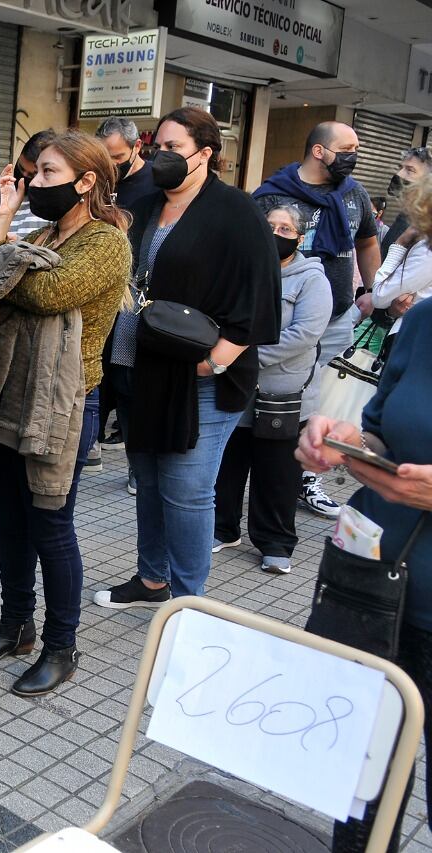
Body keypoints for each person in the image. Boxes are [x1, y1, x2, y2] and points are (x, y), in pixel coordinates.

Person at [0, 131, 131, 695]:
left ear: (86, 183)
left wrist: (9, 263)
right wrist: (5, 217)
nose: (34, 184)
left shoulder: (106, 242)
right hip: (10, 395)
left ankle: (63, 645)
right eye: (33, 175)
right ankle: (16, 626)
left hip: (64, 404)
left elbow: (48, 292)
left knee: (51, 528)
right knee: (10, 523)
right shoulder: (41, 232)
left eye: (48, 175)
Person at [94, 107, 281, 609]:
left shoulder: (236, 211)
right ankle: (152, 581)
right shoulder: (147, 203)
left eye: (174, 148)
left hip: (201, 380)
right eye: (159, 147)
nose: (162, 156)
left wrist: (215, 361)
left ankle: (190, 603)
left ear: (205, 154)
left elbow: (259, 298)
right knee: (151, 485)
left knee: (188, 492)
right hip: (142, 372)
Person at [296, 177, 432, 853]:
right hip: (383, 594)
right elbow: (382, 433)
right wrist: (345, 440)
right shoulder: (425, 323)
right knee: (362, 793)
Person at [253, 121, 380, 520]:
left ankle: (306, 477)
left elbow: (368, 242)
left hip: (336, 318)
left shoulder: (354, 194)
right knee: (271, 395)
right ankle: (253, 476)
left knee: (316, 403)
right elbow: (250, 251)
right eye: (348, 147)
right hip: (284, 318)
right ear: (320, 151)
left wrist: (373, 292)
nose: (354, 155)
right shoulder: (272, 195)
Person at [213, 206, 331, 575]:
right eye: (270, 227)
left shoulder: (312, 280)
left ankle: (275, 543)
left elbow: (304, 336)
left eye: (286, 228)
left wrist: (240, 356)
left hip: (284, 395)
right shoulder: (243, 270)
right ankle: (222, 529)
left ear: (299, 237)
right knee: (227, 465)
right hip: (238, 389)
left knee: (277, 473)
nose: (277, 233)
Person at [94, 117, 155, 466]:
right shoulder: (98, 178)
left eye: (116, 157)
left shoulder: (153, 183)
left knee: (126, 372)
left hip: (136, 287)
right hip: (102, 279)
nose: (110, 166)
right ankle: (93, 441)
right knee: (97, 364)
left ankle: (136, 459)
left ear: (136, 148)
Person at [95, 116, 155, 209]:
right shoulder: (97, 178)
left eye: (117, 157)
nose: (111, 164)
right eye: (104, 157)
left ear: (137, 146)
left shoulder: (156, 178)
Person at [382, 146, 430, 259]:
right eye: (401, 168)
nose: (400, 174)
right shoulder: (407, 215)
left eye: (410, 170)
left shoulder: (425, 227)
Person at [7, 129, 57, 239]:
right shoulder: (7, 192)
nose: (24, 176)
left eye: (32, 174)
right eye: (21, 168)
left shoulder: (53, 206)